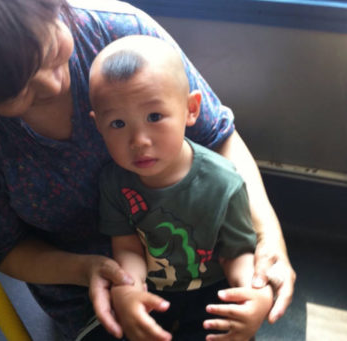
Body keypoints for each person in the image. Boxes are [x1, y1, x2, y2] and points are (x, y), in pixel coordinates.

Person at [0, 0, 295, 340]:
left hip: (203, 273)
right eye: (18, 93)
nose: (53, 86)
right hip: (87, 293)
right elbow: (5, 246)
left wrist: (267, 239)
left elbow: (218, 139)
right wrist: (90, 271)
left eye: (51, 48)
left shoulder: (121, 34)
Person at [89, 34, 274, 341]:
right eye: (118, 124)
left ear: (191, 109)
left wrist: (253, 293)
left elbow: (237, 252)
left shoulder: (223, 181)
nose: (139, 141)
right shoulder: (113, 182)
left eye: (154, 117)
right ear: (98, 125)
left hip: (212, 293)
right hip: (151, 289)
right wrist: (128, 289)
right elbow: (127, 246)